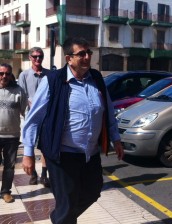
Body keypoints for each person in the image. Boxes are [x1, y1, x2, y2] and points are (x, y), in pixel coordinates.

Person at [22, 37, 124, 224]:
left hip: (90, 154)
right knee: (67, 202)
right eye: (81, 54)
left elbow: (108, 110)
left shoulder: (97, 79)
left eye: (89, 53)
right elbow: (34, 118)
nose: (87, 57)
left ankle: (61, 218)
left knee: (93, 192)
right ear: (69, 58)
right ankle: (64, 218)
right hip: (63, 156)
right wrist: (28, 152)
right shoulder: (53, 80)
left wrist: (115, 139)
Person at [18, 47, 50, 187]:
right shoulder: (24, 75)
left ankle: (44, 175)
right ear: (30, 57)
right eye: (35, 56)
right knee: (29, 144)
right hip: (30, 115)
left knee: (45, 146)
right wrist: (29, 105)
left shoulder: (49, 74)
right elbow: (22, 95)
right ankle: (33, 174)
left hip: (46, 116)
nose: (38, 59)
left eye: (40, 56)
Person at [0, 63, 27, 203]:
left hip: (12, 136)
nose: (4, 76)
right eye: (1, 73)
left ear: (11, 75)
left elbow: (26, 112)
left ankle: (5, 192)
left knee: (9, 166)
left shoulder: (19, 91)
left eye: (7, 73)